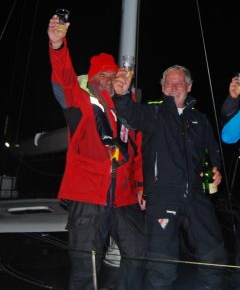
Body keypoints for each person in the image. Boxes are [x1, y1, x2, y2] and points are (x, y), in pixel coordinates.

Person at [47, 15, 146, 290]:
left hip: (124, 198)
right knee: (85, 267)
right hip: (88, 196)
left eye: (111, 75)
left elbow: (138, 155)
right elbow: (64, 81)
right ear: (91, 80)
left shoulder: (129, 111)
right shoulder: (81, 103)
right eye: (101, 75)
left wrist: (140, 186)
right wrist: (57, 47)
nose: (107, 79)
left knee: (138, 255)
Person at [112, 64, 228, 289]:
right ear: (162, 88)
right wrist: (122, 95)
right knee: (161, 267)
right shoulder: (153, 113)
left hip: (196, 195)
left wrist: (216, 169)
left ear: (189, 86)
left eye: (179, 83)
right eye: (168, 83)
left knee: (213, 256)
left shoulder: (200, 120)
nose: (174, 87)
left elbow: (213, 152)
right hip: (162, 197)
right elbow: (130, 115)